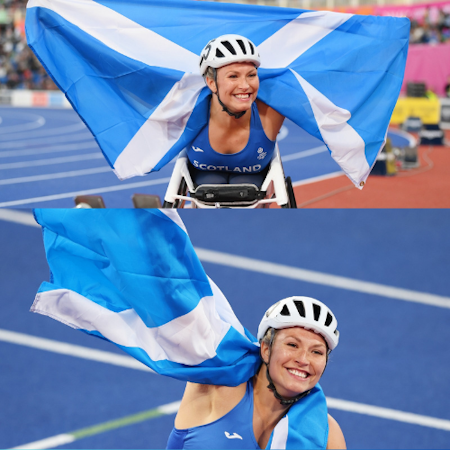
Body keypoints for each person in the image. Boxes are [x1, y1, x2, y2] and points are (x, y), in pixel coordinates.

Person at [167, 296, 346, 449]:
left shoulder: (326, 434)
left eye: (317, 352)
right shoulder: (217, 385)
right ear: (266, 349)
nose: (304, 360)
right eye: (292, 345)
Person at [186, 34, 285, 187]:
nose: (245, 85)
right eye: (233, 76)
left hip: (252, 183)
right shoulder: (187, 111)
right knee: (210, 184)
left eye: (251, 75)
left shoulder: (272, 112)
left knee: (245, 186)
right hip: (204, 181)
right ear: (211, 83)